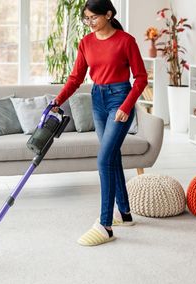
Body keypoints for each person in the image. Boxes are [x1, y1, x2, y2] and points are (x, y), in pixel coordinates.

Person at [53, 0, 148, 246]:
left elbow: (140, 78)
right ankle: (125, 214)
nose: (89, 23)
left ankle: (105, 225)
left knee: (104, 158)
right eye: (86, 18)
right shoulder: (85, 43)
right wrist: (57, 101)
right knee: (112, 156)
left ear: (108, 14)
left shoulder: (126, 41)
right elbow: (75, 78)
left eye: (93, 17)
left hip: (120, 98)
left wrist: (126, 107)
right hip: (98, 99)